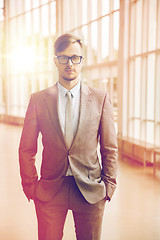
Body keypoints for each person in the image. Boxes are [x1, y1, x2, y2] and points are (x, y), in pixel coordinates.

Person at [19, 33, 118, 240]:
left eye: (75, 58)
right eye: (63, 57)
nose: (69, 63)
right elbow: (27, 148)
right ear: (55, 61)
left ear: (82, 61)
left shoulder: (101, 99)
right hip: (50, 189)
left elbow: (109, 148)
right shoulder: (38, 100)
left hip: (90, 191)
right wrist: (30, 185)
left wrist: (108, 186)